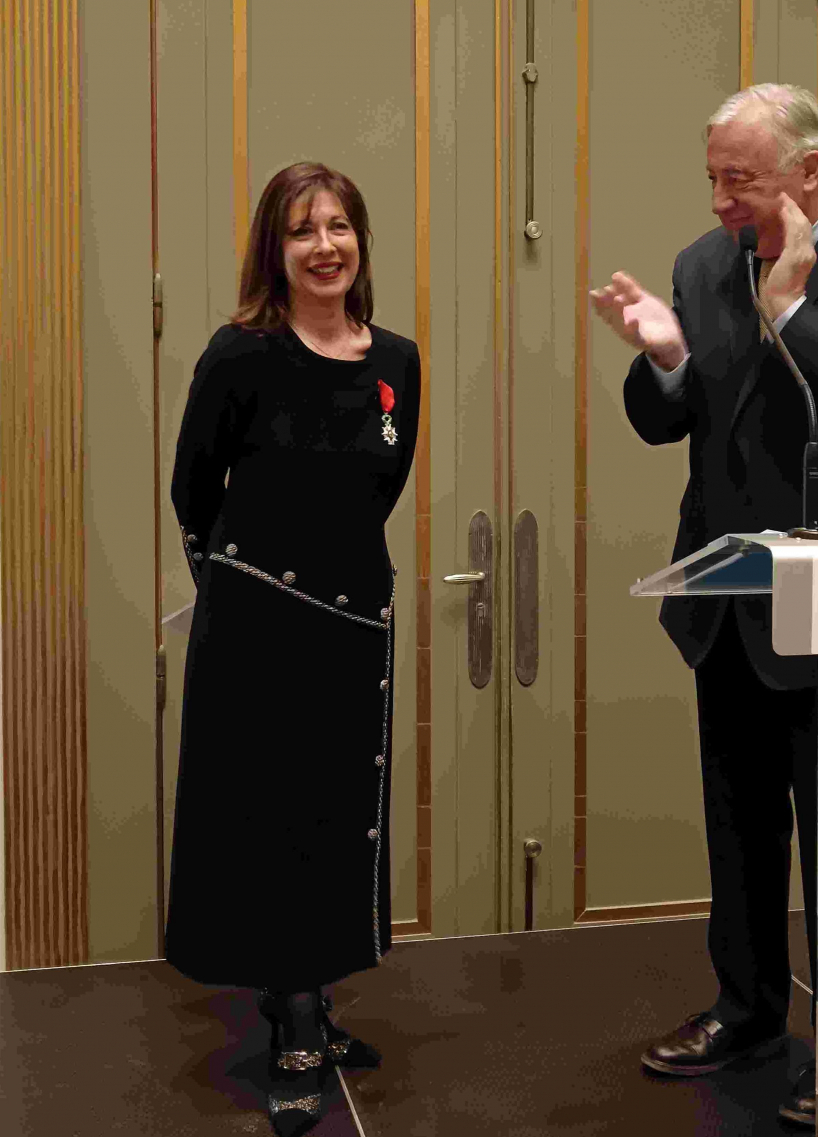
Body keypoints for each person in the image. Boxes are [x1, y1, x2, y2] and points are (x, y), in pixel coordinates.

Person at [590, 84, 818, 1126]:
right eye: (711, 178)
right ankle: (747, 1007)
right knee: (739, 820)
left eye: (737, 180)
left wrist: (794, 311)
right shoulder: (702, 267)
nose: (718, 202)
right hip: (730, 592)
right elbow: (683, 424)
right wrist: (664, 357)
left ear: (807, 171)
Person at [166, 161, 420, 1137]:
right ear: (276, 251)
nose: (325, 246)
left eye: (340, 226)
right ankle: (298, 1029)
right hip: (259, 621)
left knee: (337, 813)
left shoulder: (397, 358)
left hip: (355, 621)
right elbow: (195, 489)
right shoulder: (240, 356)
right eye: (303, 230)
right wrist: (243, 583)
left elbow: (379, 490)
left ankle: (306, 991)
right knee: (270, 818)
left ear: (360, 240)